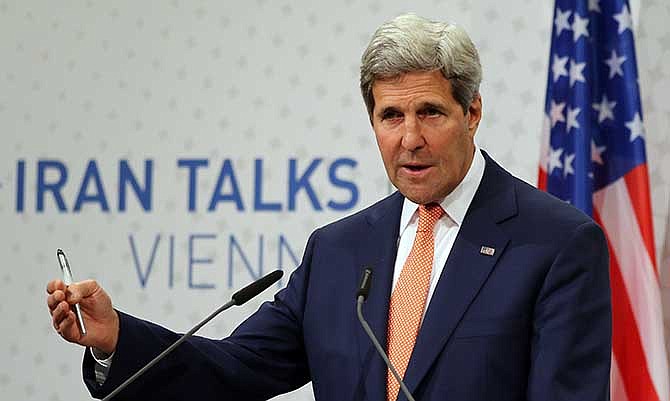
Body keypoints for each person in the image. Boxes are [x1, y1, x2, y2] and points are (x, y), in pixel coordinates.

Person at [46, 14, 611, 401]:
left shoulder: (556, 244)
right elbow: (234, 371)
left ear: (473, 113)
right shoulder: (339, 250)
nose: (409, 138)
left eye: (431, 113)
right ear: (372, 122)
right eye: (391, 116)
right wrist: (117, 335)